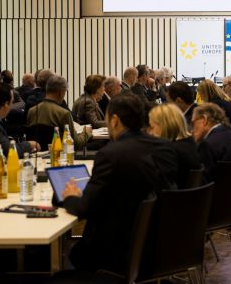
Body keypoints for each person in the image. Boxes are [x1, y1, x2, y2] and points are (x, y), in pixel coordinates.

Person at [60, 93, 167, 274]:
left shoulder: (111, 154)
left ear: (115, 120)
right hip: (152, 243)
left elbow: (84, 208)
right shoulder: (162, 147)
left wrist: (70, 197)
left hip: (112, 252)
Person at [147, 103, 204, 187]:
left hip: (173, 198)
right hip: (191, 197)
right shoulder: (190, 142)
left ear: (164, 126)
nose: (150, 133)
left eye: (152, 127)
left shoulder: (168, 151)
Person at [192, 101, 231, 174]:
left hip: (220, 184)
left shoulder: (207, 145)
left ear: (204, 119)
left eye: (193, 123)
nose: (192, 129)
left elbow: (203, 180)